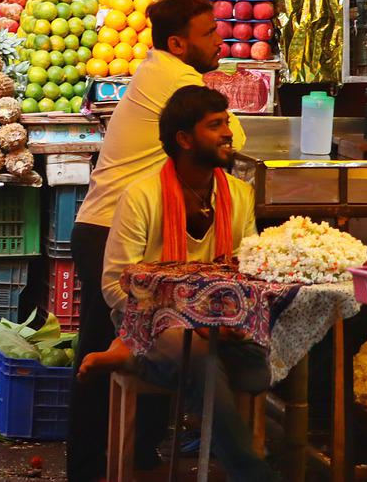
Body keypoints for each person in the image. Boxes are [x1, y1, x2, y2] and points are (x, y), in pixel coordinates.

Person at [66, 0, 246, 481]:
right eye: (208, 33)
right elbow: (234, 141)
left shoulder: (159, 68)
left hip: (116, 226)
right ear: (178, 43)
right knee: (105, 356)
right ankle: (86, 470)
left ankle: (137, 461)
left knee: (141, 349)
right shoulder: (175, 77)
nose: (219, 40)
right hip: (112, 232)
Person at [81, 85, 272, 482]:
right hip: (149, 326)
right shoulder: (142, 196)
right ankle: (257, 475)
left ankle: (126, 356)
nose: (228, 133)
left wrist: (219, 322)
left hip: (224, 326)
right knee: (200, 358)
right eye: (215, 125)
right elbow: (115, 287)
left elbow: (247, 275)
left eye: (227, 122)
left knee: (257, 372)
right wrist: (183, 320)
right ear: (184, 139)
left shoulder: (239, 195)